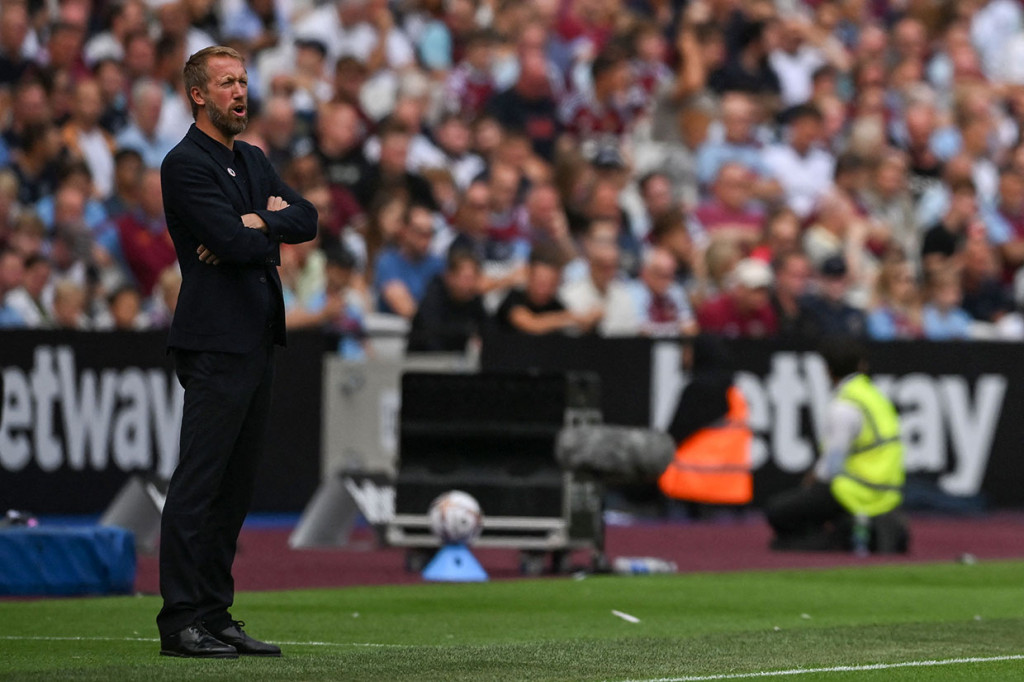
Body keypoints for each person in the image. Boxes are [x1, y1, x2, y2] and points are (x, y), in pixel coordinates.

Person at [156, 46, 317, 659]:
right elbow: (225, 237)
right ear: (199, 94)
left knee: (235, 486)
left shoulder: (250, 159)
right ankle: (181, 620)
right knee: (200, 482)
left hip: (255, 336)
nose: (241, 92)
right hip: (214, 339)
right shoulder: (184, 164)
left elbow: (306, 217)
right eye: (227, 83)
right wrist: (257, 225)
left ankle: (215, 612)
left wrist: (258, 226)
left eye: (244, 81)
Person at [765, 337, 905, 551]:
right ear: (862, 365)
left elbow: (833, 464)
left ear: (827, 369)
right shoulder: (876, 397)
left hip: (853, 490)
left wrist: (811, 484)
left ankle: (834, 540)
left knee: (778, 511)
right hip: (887, 492)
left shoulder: (844, 405)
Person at [658, 335, 753, 508]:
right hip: (731, 490)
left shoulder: (697, 390)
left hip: (690, 487)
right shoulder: (735, 392)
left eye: (687, 351)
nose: (684, 357)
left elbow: (674, 435)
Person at [406, 249, 487, 352]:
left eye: (474, 278)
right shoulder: (433, 298)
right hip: (425, 359)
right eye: (466, 278)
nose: (470, 284)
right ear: (449, 277)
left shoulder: (474, 297)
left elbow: (485, 325)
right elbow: (433, 334)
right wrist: (467, 331)